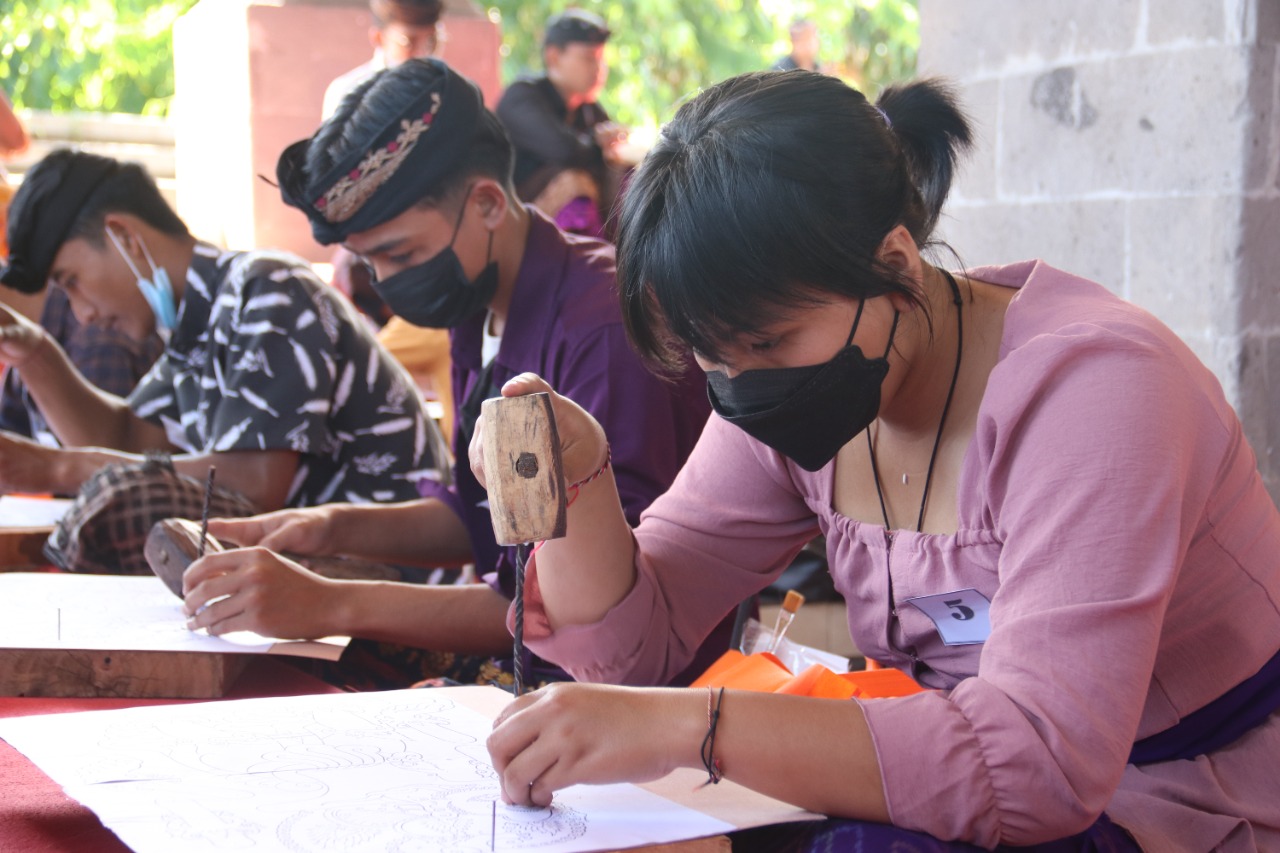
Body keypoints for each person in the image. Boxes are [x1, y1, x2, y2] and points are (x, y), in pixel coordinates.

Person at [479, 71, 1280, 851]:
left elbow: (1043, 763)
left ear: (897, 263)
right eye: (709, 356)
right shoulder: (787, 391)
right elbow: (638, 642)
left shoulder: (1098, 394)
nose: (740, 386)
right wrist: (579, 479)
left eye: (766, 341)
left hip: (1180, 789)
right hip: (964, 772)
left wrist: (696, 725)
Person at [182, 58, 724, 691]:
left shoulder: (602, 330)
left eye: (401, 254)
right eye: (369, 261)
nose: (385, 282)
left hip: (617, 692)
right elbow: (483, 519)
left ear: (489, 203)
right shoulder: (481, 304)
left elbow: (574, 603)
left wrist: (332, 601)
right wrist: (320, 527)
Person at [0, 149, 448, 573]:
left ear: (123, 237)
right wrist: (33, 353)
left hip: (398, 583)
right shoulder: (189, 329)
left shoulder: (267, 288)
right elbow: (126, 439)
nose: (83, 313)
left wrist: (57, 467)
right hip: (322, 586)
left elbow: (253, 481)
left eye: (72, 281)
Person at [495, 8, 631, 235]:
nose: (599, 69)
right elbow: (565, 151)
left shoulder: (590, 111)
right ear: (554, 57)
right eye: (589, 58)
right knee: (572, 182)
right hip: (512, 226)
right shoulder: (522, 98)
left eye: (601, 59)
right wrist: (598, 144)